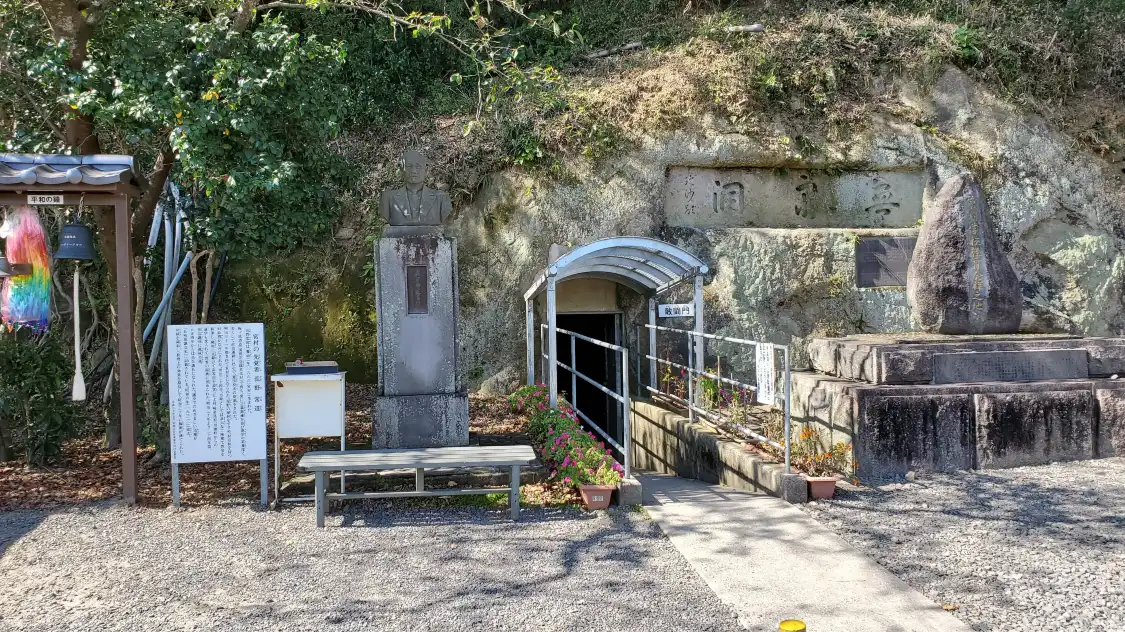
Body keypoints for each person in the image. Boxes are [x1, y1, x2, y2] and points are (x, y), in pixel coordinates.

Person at [379, 150, 452, 227]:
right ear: (402, 170)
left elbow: (447, 226)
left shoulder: (441, 198)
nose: (414, 171)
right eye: (409, 166)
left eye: (418, 166)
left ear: (426, 170)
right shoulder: (388, 198)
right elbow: (383, 223)